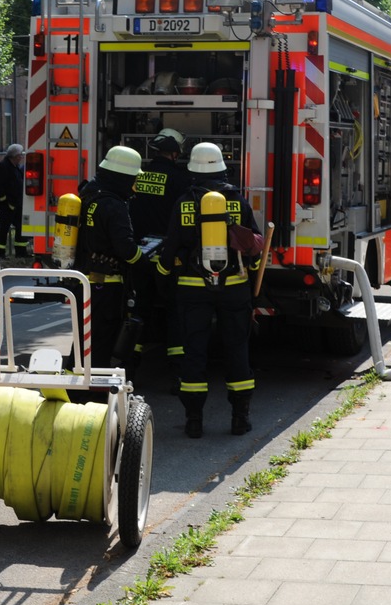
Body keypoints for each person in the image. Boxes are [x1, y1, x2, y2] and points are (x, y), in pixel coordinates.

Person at [156, 142, 263, 439]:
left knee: (194, 352)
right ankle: (240, 418)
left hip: (193, 290)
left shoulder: (184, 203)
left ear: (192, 170)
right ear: (221, 168)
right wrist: (253, 286)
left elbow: (171, 247)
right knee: (237, 350)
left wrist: (162, 277)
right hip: (234, 289)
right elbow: (252, 248)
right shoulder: (237, 202)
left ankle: (193, 421)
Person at [74, 145, 147, 368]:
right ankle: (94, 393)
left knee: (82, 340)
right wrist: (144, 263)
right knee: (102, 340)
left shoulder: (88, 195)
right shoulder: (114, 205)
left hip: (83, 282)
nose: (134, 184)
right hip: (106, 287)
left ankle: (75, 387)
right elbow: (125, 249)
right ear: (122, 177)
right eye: (133, 178)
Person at [129, 128, 189, 384]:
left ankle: (130, 368)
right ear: (176, 153)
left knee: (141, 310)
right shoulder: (180, 180)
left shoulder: (139, 177)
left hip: (141, 255)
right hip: (168, 257)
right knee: (175, 312)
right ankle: (177, 374)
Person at [0, 144, 28, 258]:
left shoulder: (15, 167)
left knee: (21, 228)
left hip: (16, 204)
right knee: (3, 229)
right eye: (20, 155)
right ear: (15, 156)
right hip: (7, 206)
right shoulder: (3, 167)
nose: (21, 157)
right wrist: (6, 203)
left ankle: (21, 252)